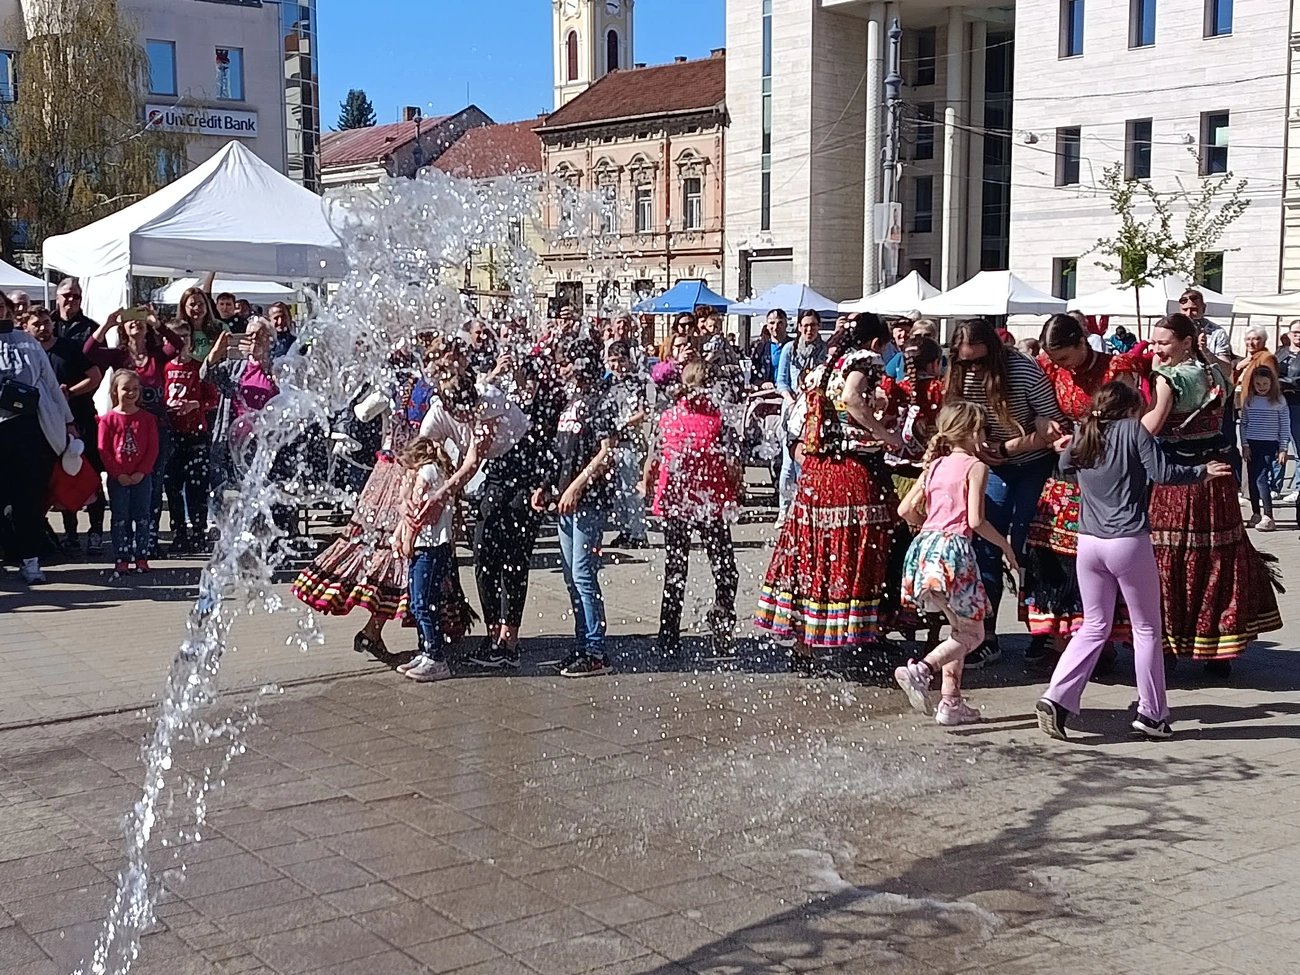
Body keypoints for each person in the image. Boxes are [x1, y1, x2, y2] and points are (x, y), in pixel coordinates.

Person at [1036, 382, 1233, 741]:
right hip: (1128, 541)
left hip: (1089, 542)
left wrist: (1069, 444)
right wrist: (1202, 471)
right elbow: (1163, 473)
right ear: (1131, 409)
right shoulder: (1134, 430)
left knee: (1094, 626)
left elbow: (1064, 465)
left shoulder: (1085, 431)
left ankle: (1057, 696)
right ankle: (1152, 713)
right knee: (1146, 630)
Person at [755, 313, 905, 673]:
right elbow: (853, 398)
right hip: (852, 470)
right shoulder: (863, 361)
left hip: (818, 473)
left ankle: (805, 643)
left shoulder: (825, 365)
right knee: (863, 544)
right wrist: (886, 435)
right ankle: (861, 627)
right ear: (875, 343)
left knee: (812, 550)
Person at [1142, 313, 1281, 675]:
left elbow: (1153, 426)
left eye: (1163, 343)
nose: (1156, 349)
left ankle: (1168, 646)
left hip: (1178, 482)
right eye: (1154, 342)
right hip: (1216, 478)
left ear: (1186, 343)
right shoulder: (1214, 372)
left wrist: (1112, 432)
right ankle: (1219, 649)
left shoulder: (1168, 378)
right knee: (1218, 557)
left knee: (1169, 559)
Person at [1020, 314, 1142, 660]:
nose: (1062, 366)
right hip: (1066, 471)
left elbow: (1128, 417)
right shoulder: (1051, 369)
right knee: (1057, 552)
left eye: (1065, 358)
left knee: (1102, 552)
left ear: (1082, 343)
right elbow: (1039, 410)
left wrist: (1083, 438)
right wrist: (1046, 425)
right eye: (1055, 359)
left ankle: (1103, 636)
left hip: (1106, 468)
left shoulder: (1115, 368)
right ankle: (1060, 636)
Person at [944, 318, 1064, 667]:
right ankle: (987, 635)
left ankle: (1043, 632)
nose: (972, 368)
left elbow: (1052, 423)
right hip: (990, 465)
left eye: (979, 361)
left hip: (1031, 461)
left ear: (995, 354)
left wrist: (1009, 446)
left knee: (1030, 543)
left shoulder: (1023, 370)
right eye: (966, 361)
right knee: (984, 544)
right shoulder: (957, 372)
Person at [894, 402, 1019, 727]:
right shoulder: (975, 467)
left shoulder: (934, 466)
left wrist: (930, 527)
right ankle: (921, 670)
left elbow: (905, 510)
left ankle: (951, 701)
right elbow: (976, 519)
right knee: (974, 634)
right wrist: (1004, 545)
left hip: (925, 550)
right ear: (974, 433)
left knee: (959, 629)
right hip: (954, 556)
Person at [640, 359, 742, 660]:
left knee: (676, 570)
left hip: (680, 503)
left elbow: (653, 457)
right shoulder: (718, 418)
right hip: (708, 503)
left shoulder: (668, 416)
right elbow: (733, 462)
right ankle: (721, 625)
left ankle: (669, 634)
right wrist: (738, 489)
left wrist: (646, 486)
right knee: (725, 570)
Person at [531, 337, 618, 678]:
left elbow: (606, 450)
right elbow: (560, 449)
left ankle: (597, 651)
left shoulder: (600, 402)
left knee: (583, 575)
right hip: (564, 500)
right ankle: (582, 644)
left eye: (571, 362)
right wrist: (546, 486)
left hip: (588, 501)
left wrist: (578, 485)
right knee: (571, 577)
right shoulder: (570, 402)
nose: (565, 367)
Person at [83, 308, 183, 557]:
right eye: (130, 322)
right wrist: (106, 324)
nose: (135, 325)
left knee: (152, 484)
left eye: (140, 322)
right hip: (124, 429)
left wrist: (157, 323)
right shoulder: (119, 356)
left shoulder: (156, 355)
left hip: (155, 427)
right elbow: (88, 351)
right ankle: (124, 544)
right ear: (124, 328)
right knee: (123, 484)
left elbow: (178, 344)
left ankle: (149, 541)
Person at [21, 309, 107, 556]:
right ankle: (70, 535)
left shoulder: (70, 348)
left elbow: (95, 377)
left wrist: (68, 392)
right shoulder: (26, 353)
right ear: (26, 327)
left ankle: (96, 533)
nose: (42, 328)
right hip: (44, 428)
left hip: (78, 422)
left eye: (46, 322)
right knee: (58, 482)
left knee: (89, 480)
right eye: (36, 324)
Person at [1, 313, 76, 583]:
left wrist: (68, 421)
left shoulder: (27, 342)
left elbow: (51, 385)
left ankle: (30, 561)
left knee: (29, 500)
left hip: (30, 429)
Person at [390, 436, 457, 683]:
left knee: (423, 603)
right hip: (430, 548)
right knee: (421, 601)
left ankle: (435, 656)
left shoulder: (427, 471)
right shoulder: (434, 471)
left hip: (429, 547)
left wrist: (406, 539)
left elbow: (416, 510)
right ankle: (426, 649)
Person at [202, 319, 279, 509]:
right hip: (230, 438)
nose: (253, 340)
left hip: (261, 440)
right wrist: (216, 352)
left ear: (269, 340)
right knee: (224, 487)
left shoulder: (276, 367)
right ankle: (220, 525)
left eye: (259, 335)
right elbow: (206, 375)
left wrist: (273, 375)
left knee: (257, 490)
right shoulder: (234, 366)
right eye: (249, 335)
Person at [163, 320, 219, 555]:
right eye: (176, 337)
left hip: (196, 434)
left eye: (185, 337)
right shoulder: (163, 368)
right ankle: (179, 533)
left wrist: (195, 405)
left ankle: (198, 531)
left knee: (197, 486)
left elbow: (214, 398)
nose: (181, 342)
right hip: (171, 434)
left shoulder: (199, 368)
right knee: (173, 487)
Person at [99, 370, 161, 577]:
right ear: (115, 391)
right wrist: (118, 474)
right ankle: (121, 558)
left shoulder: (147, 419)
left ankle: (141, 556)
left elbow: (153, 449)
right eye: (126, 388)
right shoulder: (108, 420)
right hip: (119, 478)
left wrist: (142, 472)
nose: (131, 393)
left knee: (143, 516)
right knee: (120, 517)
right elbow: (104, 450)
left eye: (135, 389)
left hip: (142, 477)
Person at [774, 311, 830, 517]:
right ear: (798, 327)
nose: (809, 329)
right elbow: (781, 380)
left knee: (809, 460)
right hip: (792, 408)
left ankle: (803, 507)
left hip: (815, 411)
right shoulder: (790, 349)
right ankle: (783, 510)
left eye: (813, 325)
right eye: (805, 325)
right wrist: (790, 400)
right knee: (789, 462)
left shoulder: (825, 351)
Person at [605, 340, 650, 549]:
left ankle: (638, 533)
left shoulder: (635, 382)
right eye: (612, 360)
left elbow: (643, 412)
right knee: (617, 491)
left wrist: (622, 422)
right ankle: (624, 530)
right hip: (611, 443)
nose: (616, 365)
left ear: (628, 362)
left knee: (631, 489)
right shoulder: (607, 383)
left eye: (620, 360)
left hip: (629, 442)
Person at [1240, 365, 1290, 532]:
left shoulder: (1279, 401)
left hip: (1269, 444)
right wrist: (1245, 444)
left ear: (1272, 383)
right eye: (1258, 384)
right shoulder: (1249, 401)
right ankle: (1256, 513)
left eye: (1265, 384)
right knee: (1252, 480)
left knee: (1261, 478)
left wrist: (1283, 448)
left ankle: (1268, 515)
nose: (1261, 387)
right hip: (1252, 443)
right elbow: (1244, 424)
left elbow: (1285, 425)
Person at [1278, 318, 1300, 502]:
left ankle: (1298, 487)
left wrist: (1286, 383)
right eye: (1295, 332)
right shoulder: (1281, 353)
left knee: (1298, 447)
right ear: (1289, 333)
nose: (1298, 335)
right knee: (1279, 445)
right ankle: (1275, 485)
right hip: (1279, 403)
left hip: (1297, 404)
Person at [178, 287, 225, 363]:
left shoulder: (220, 327)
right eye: (192, 304)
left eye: (201, 304)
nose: (197, 308)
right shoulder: (177, 330)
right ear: (184, 306)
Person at [749, 310, 790, 387]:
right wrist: (763, 383)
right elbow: (754, 376)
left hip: (790, 391)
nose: (776, 327)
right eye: (772, 323)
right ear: (767, 326)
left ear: (786, 324)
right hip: (768, 393)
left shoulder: (794, 346)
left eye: (780, 323)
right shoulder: (760, 349)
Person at [53, 278, 99, 345]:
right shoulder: (46, 324)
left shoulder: (91, 327)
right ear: (57, 298)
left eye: (76, 296)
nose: (71, 299)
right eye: (67, 295)